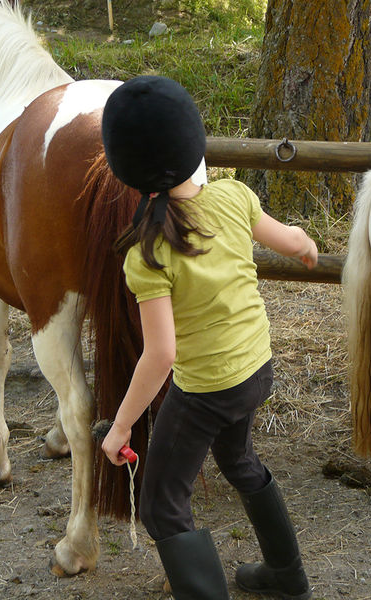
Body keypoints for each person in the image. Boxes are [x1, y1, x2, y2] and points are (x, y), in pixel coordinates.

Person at [100, 75, 316, 600]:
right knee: (239, 460)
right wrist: (308, 248)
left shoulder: (147, 253)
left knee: (161, 506)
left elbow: (162, 354)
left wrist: (121, 427)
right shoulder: (233, 197)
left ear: (126, 168)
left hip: (206, 391)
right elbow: (290, 241)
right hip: (255, 368)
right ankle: (287, 576)